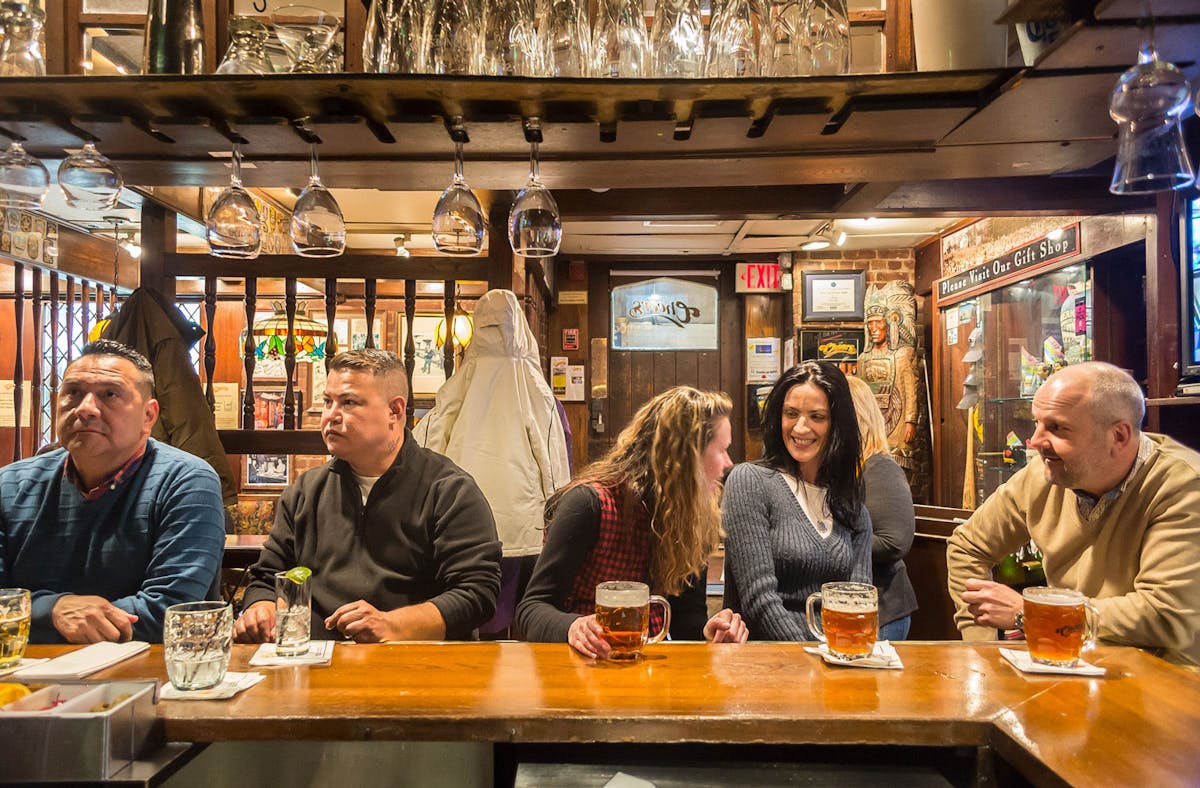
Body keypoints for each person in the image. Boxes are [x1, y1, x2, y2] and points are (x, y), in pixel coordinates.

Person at [234, 349, 501, 644]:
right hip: (318, 664)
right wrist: (261, 609)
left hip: (417, 665)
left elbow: (477, 595)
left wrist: (391, 625)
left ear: (394, 411)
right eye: (327, 402)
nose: (331, 416)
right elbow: (266, 578)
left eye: (349, 403)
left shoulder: (449, 490)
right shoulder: (305, 491)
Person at [947, 362, 1200, 666]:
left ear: (1118, 436)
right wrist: (982, 649)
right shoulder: (1042, 476)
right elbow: (967, 546)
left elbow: (1165, 614)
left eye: (1057, 427)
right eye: (1038, 423)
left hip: (1165, 686)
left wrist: (1032, 614)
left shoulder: (1182, 486)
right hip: (1069, 667)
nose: (1036, 441)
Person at [0, 340, 225, 644]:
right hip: (21, 679)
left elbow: (170, 612)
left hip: (145, 676)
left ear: (148, 416)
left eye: (110, 395)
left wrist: (30, 613)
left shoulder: (185, 482)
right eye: (73, 393)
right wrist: (52, 609)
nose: (86, 408)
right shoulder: (9, 485)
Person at [516, 386, 748, 658]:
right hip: (577, 669)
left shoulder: (694, 519)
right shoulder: (589, 504)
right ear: (687, 454)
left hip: (645, 676)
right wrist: (572, 626)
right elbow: (531, 610)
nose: (729, 463)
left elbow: (687, 624)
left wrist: (710, 636)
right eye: (721, 450)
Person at [414, 290, 571, 636]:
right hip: (522, 518)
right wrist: (556, 514)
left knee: (471, 597)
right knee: (520, 606)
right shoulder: (533, 385)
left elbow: (429, 440)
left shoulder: (462, 380)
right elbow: (553, 455)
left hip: (461, 515)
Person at [722, 361, 872, 641]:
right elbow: (759, 599)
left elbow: (858, 603)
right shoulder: (750, 481)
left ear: (837, 425)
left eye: (817, 417)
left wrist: (842, 661)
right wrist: (811, 661)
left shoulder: (852, 506)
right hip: (768, 666)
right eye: (791, 413)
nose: (801, 427)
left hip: (836, 664)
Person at [847, 375, 917, 641]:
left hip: (882, 612)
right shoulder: (849, 468)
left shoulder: (879, 467)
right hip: (855, 608)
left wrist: (828, 541)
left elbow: (894, 542)